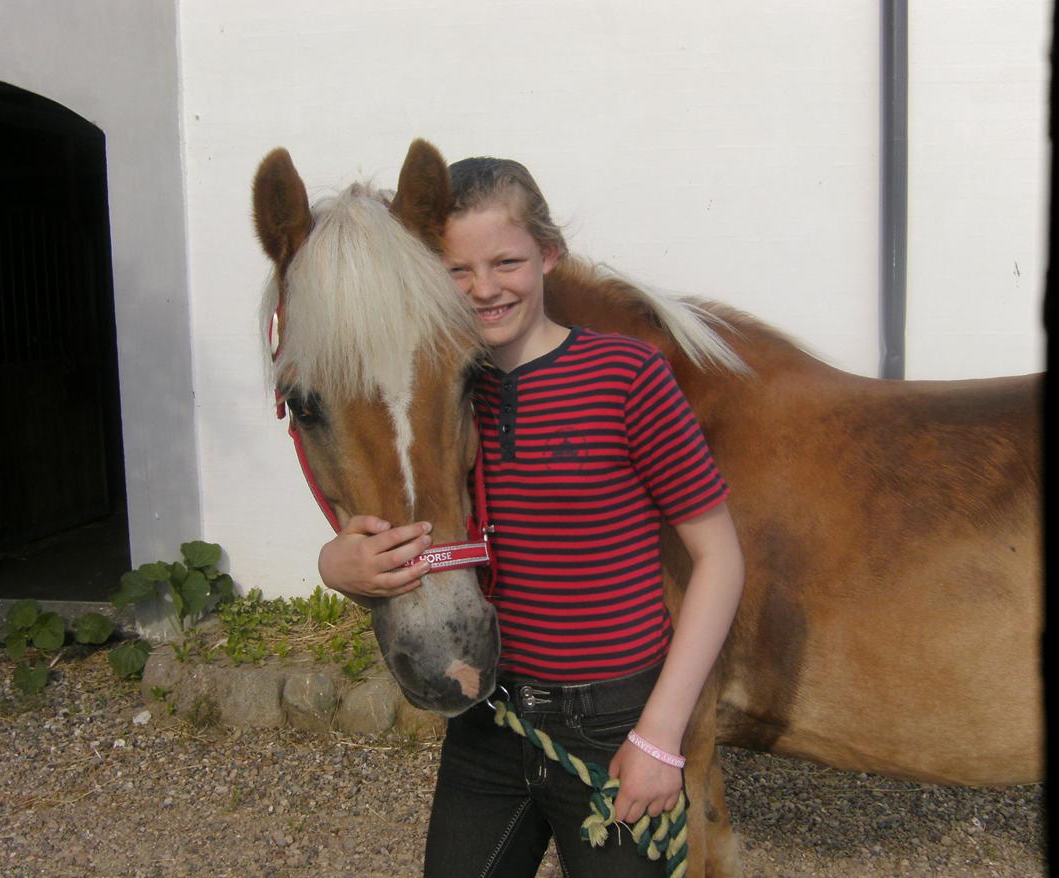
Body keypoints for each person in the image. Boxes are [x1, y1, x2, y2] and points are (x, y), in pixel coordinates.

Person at [318, 155, 745, 878]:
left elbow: (720, 560)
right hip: (491, 716)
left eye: (507, 261)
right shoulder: (447, 391)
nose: (484, 289)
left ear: (548, 255)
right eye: (457, 270)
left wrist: (660, 736)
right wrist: (336, 564)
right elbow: (408, 517)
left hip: (612, 722)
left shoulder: (627, 376)